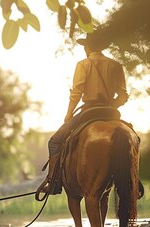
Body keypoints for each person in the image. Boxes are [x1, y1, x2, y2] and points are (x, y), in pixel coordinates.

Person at [40, 33, 129, 194]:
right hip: (111, 112)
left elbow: (76, 93)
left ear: (87, 47)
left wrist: (68, 114)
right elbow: (123, 95)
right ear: (102, 46)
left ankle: (54, 183)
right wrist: (111, 105)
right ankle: (133, 182)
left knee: (53, 142)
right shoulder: (115, 65)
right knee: (130, 140)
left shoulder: (83, 64)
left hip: (89, 111)